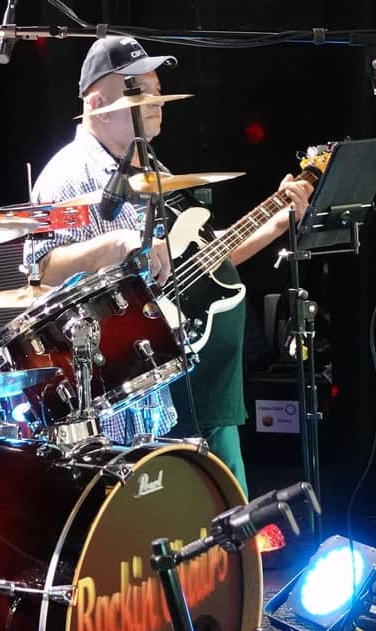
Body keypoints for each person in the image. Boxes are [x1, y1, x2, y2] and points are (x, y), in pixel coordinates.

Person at [26, 36, 312, 495]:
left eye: (157, 87)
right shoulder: (64, 174)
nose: (157, 99)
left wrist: (276, 223)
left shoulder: (151, 166)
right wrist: (114, 244)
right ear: (97, 103)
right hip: (119, 401)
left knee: (217, 519)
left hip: (182, 388)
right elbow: (38, 269)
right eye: (140, 89)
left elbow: (196, 261)